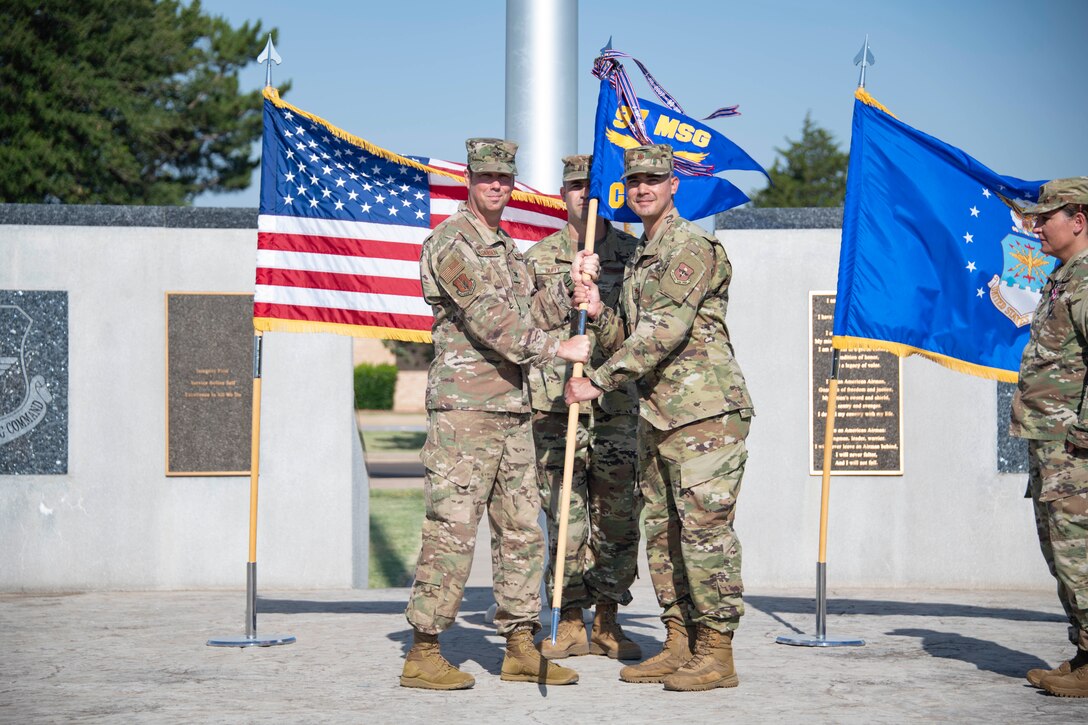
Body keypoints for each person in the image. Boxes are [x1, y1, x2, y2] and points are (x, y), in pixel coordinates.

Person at [401, 138, 592, 690]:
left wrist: (573, 286)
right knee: (453, 530)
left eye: (504, 179)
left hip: (513, 406)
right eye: (486, 177)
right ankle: (424, 650)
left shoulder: (506, 250)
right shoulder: (452, 243)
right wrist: (557, 350)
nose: (496, 186)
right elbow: (488, 317)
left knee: (521, 531)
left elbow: (532, 309)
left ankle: (519, 644)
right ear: (469, 179)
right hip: (465, 410)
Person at [566, 144, 754, 692]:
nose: (643, 187)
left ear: (674, 185)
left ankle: (717, 652)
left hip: (705, 414)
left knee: (704, 533)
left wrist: (596, 381)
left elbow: (664, 332)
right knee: (664, 533)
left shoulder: (691, 247)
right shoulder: (643, 257)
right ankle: (680, 641)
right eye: (635, 180)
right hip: (658, 414)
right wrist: (598, 311)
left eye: (654, 179)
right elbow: (626, 337)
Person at [524, 154, 642, 661]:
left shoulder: (633, 255)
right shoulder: (539, 256)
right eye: (574, 187)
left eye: (592, 188)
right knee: (565, 512)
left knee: (616, 515)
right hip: (557, 403)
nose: (583, 197)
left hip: (616, 404)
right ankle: (570, 618)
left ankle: (609, 618)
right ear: (562, 194)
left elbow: (642, 333)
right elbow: (526, 325)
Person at [1010, 177, 1088, 698]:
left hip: (1075, 449)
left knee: (1079, 551)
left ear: (1079, 220)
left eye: (1047, 217)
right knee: (1062, 553)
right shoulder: (1063, 278)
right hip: (1052, 444)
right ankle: (1085, 653)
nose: (1035, 226)